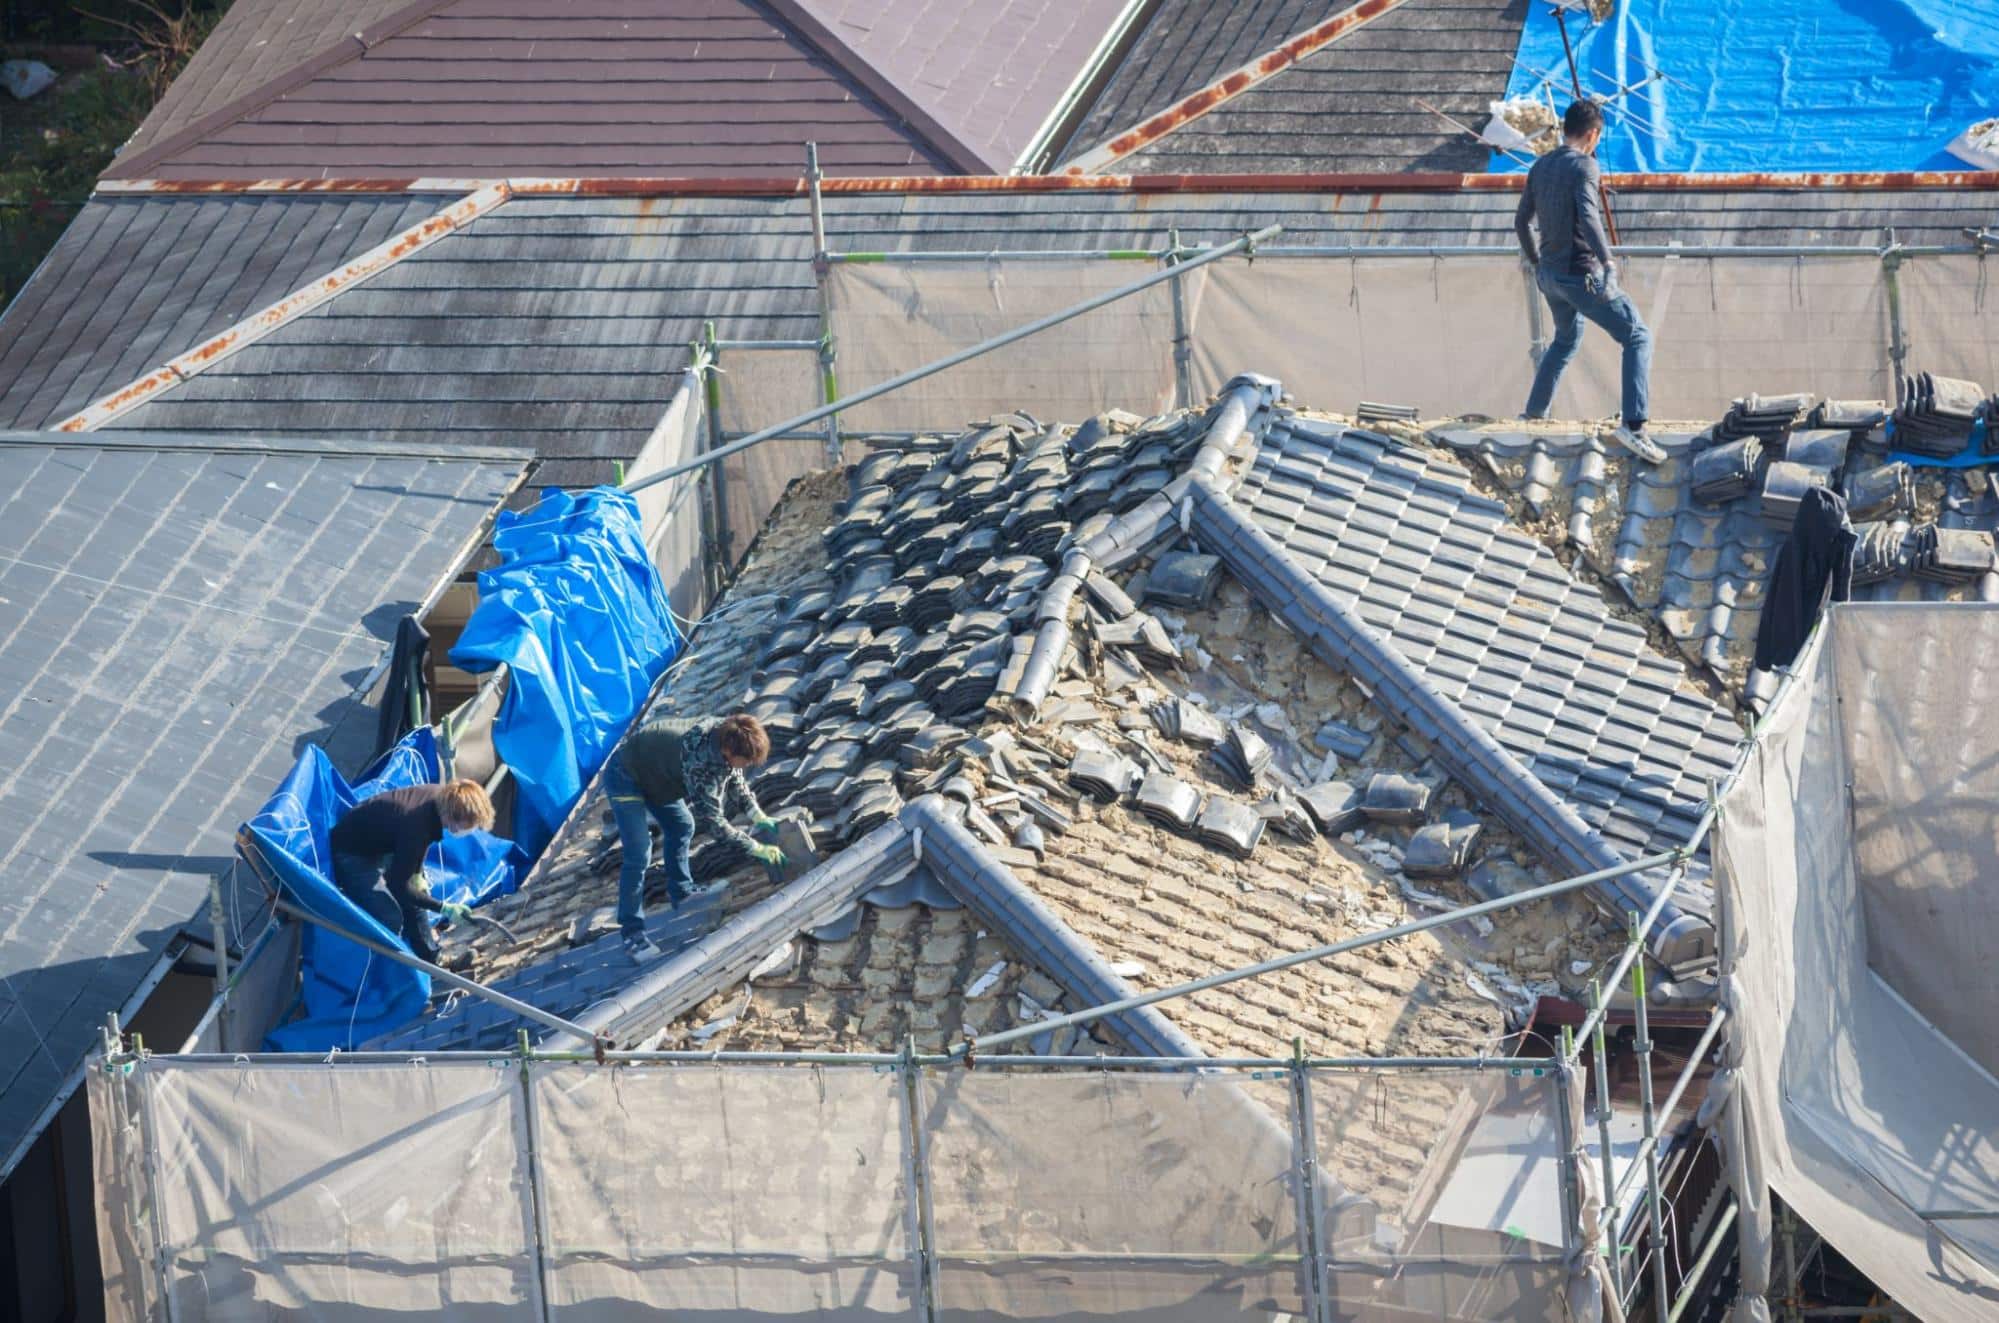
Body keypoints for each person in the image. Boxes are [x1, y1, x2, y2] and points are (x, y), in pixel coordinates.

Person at [1515, 99, 1663, 464]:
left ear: (1566, 129)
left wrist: (1538, 263)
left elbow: (1521, 223)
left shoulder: (1541, 165)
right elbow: (1587, 214)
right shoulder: (1585, 166)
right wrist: (1608, 261)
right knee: (1637, 336)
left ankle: (1534, 415)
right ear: (1593, 135)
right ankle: (1634, 426)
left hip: (1550, 276)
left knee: (1566, 339)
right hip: (1581, 274)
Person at [603, 712, 787, 963]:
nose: (745, 766)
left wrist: (758, 814)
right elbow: (714, 823)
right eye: (745, 761)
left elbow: (735, 779)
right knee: (639, 852)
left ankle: (682, 891)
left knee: (681, 825)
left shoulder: (726, 738)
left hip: (657, 777)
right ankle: (632, 934)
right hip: (626, 776)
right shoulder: (700, 762)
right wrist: (755, 847)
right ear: (728, 751)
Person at [328, 778, 494, 963]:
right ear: (451, 818)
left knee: (417, 895)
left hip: (381, 842)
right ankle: (390, 980)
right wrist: (443, 908)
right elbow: (399, 886)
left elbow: (424, 839)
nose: (470, 830)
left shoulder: (442, 798)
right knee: (389, 917)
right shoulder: (415, 826)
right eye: (467, 825)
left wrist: (417, 873)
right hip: (351, 853)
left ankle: (433, 959)